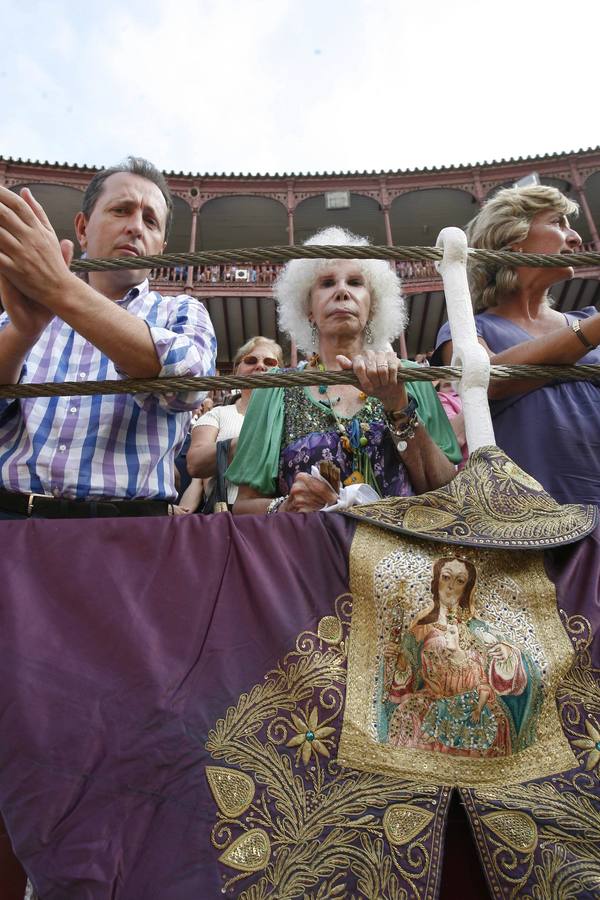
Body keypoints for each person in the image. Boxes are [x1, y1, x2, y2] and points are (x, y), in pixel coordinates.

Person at [0, 156, 216, 519]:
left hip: (129, 531)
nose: (135, 227)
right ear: (82, 228)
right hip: (10, 520)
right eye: (121, 210)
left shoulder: (182, 310)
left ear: (160, 246)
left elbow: (188, 384)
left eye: (150, 221)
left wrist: (60, 288)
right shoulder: (18, 313)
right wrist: (23, 332)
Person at [227, 227, 461, 515]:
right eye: (327, 283)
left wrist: (398, 406)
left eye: (355, 282)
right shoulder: (277, 388)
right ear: (308, 309)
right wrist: (286, 506)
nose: (342, 291)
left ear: (372, 305)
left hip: (403, 556)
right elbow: (243, 506)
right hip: (308, 552)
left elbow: (447, 493)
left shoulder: (411, 378)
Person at [434, 184, 600, 507]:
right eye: (557, 223)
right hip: (530, 519)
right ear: (515, 241)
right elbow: (488, 379)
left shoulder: (589, 317)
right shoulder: (468, 330)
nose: (576, 238)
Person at [382, 556, 541, 757]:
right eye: (446, 577)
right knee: (408, 716)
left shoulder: (478, 629)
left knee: (494, 722)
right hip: (434, 699)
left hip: (472, 701)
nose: (450, 587)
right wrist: (396, 661)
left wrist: (506, 653)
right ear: (436, 580)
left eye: (459, 581)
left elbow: (510, 659)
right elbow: (404, 675)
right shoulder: (418, 631)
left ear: (467, 588)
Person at [183, 336, 283, 512]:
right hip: (224, 513)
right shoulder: (218, 414)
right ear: (237, 370)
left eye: (270, 362)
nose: (260, 366)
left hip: (281, 513)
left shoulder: (290, 415)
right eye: (251, 360)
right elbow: (195, 463)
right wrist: (248, 443)